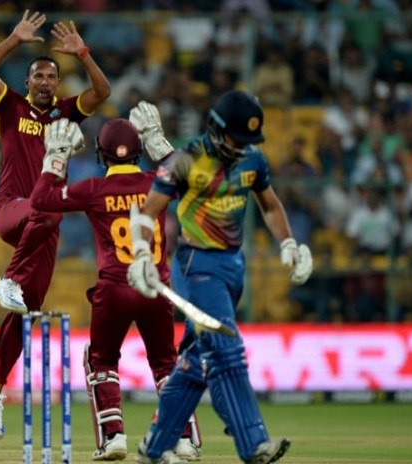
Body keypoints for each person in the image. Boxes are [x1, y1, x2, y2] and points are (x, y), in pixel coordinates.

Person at [127, 90, 313, 464]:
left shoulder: (252, 160)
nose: (241, 147)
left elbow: (270, 205)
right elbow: (148, 212)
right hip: (196, 265)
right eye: (236, 139)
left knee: (197, 361)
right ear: (215, 128)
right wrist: (142, 254)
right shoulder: (186, 161)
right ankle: (254, 444)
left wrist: (289, 243)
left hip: (232, 267)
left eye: (248, 141)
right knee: (227, 349)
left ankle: (155, 446)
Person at [0, 10, 110, 440]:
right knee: (51, 202)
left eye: (52, 76)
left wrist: (83, 53)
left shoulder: (67, 113)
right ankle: (9, 278)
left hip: (44, 228)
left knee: (26, 313)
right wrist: (13, 39)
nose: (46, 82)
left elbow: (102, 91)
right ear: (28, 82)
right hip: (12, 210)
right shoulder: (10, 105)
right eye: (39, 76)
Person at [30, 106, 200, 461]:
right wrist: (160, 141)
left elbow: (41, 200)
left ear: (100, 154)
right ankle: (182, 438)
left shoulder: (94, 188)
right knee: (166, 364)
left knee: (101, 360)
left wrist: (56, 158)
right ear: (139, 150)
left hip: (114, 289)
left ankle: (114, 437)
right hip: (155, 287)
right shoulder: (158, 179)